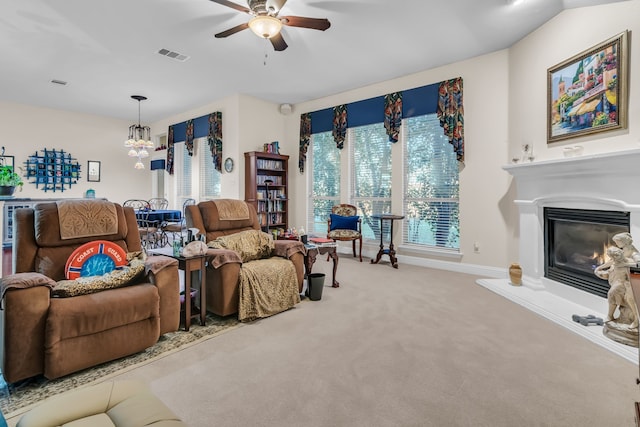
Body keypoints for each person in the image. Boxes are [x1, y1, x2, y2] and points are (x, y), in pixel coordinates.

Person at [595, 246, 638, 328]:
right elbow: (610, 272)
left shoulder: (630, 263)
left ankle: (636, 320)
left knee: (627, 298)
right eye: (614, 257)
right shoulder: (614, 262)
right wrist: (598, 270)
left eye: (619, 255)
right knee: (611, 293)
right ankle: (610, 316)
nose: (618, 257)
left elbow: (634, 277)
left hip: (627, 284)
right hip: (618, 282)